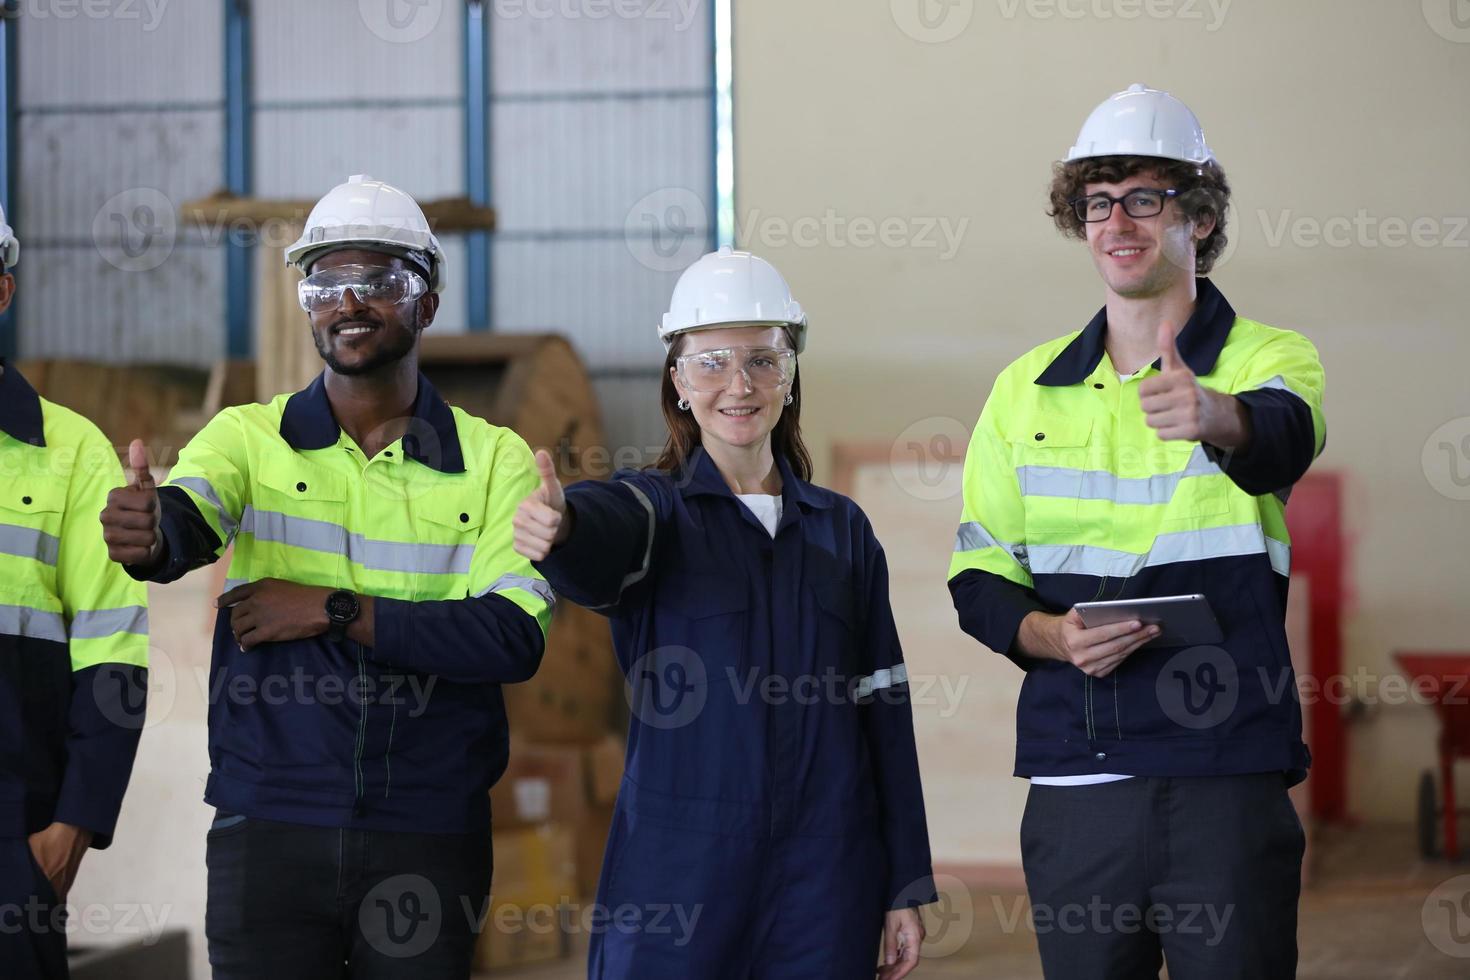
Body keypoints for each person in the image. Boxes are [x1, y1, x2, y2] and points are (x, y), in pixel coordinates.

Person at [99, 175, 554, 978]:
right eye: (326, 284)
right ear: (308, 303)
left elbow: (511, 638)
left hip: (427, 831)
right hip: (268, 825)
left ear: (427, 302)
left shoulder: (494, 460)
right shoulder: (247, 437)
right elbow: (187, 520)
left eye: (378, 282)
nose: (349, 303)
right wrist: (149, 533)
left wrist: (334, 610)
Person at [948, 83, 1326, 979]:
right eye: (1099, 202)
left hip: (1225, 770)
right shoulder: (1023, 390)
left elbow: (1283, 437)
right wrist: (1050, 635)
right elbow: (979, 576)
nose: (1119, 221)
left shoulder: (1267, 358)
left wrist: (1218, 414)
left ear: (1198, 216)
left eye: (1146, 198)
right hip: (1080, 775)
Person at [514, 246, 935, 979]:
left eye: (762, 360)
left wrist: (903, 883)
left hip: (824, 874)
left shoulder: (842, 532)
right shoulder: (658, 512)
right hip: (680, 878)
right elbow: (605, 526)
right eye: (710, 363)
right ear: (678, 380)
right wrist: (564, 529)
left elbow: (884, 711)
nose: (738, 385)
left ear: (790, 373)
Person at [0, 201, 150, 979]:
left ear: (1, 291)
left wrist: (75, 825)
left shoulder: (71, 451)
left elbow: (114, 653)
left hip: (13, 841)